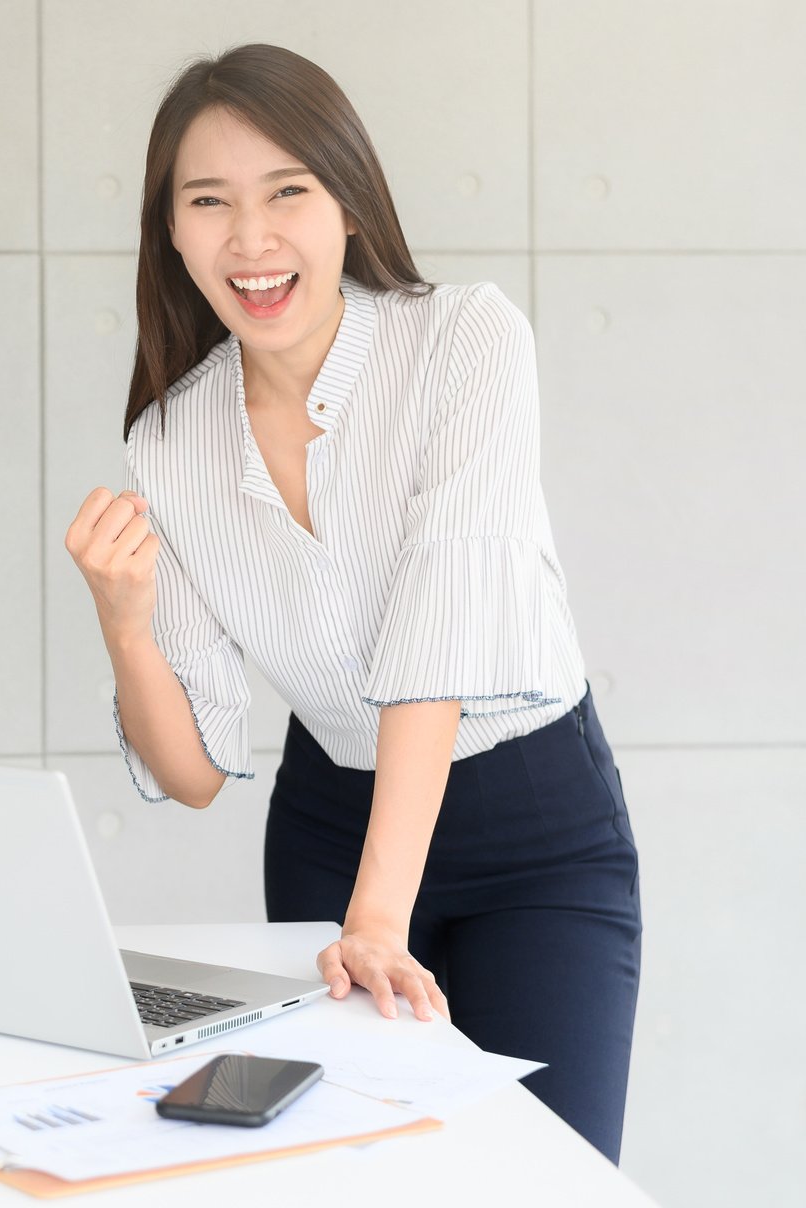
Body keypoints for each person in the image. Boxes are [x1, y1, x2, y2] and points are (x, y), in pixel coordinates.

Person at [63, 43, 641, 1165]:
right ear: (171, 233)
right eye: (209, 202)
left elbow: (439, 642)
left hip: (538, 832)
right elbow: (190, 773)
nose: (251, 238)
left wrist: (380, 919)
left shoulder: (466, 339)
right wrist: (124, 621)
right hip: (331, 826)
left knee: (548, 1177)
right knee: (347, 1181)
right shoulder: (169, 439)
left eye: (289, 191)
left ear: (348, 204)